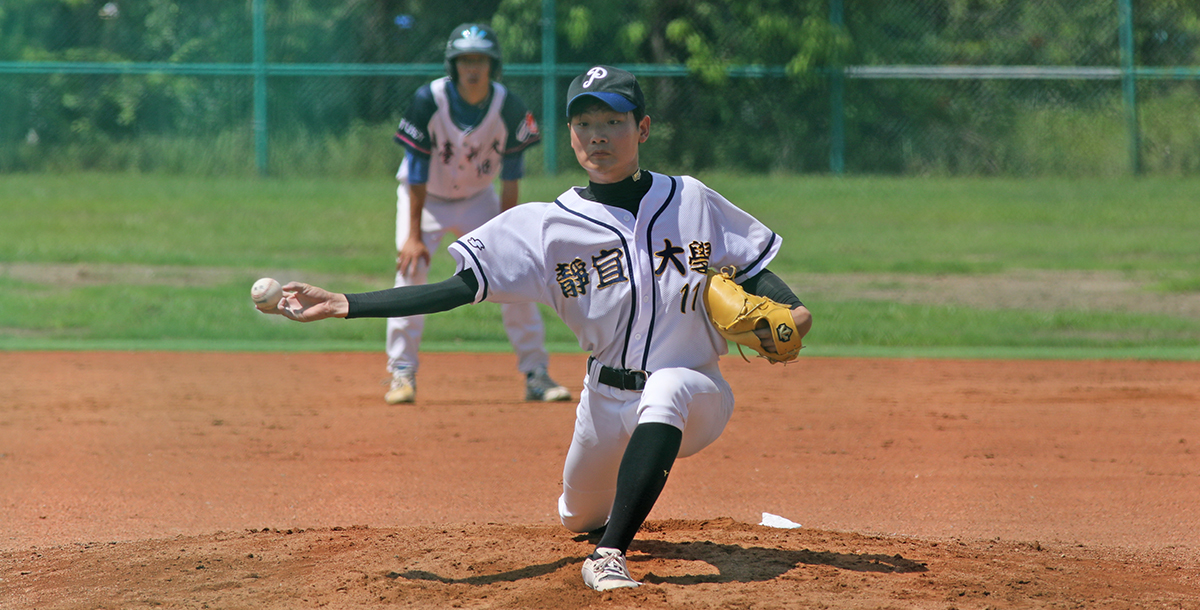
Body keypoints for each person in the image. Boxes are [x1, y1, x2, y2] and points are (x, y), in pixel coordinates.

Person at [267, 65, 812, 592]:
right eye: (584, 125)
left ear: (642, 129)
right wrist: (345, 302)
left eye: (614, 122)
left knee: (666, 388)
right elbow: (457, 289)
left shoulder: (692, 200)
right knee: (578, 515)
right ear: (571, 136)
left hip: (697, 393)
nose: (598, 136)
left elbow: (772, 286)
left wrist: (792, 322)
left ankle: (610, 556)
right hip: (604, 396)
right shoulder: (546, 227)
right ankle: (605, 524)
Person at [385, 22, 569, 404]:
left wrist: (509, 235)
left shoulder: (509, 106)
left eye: (480, 60)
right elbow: (416, 172)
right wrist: (414, 235)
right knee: (411, 272)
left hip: (478, 200)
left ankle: (536, 373)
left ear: (492, 65)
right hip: (426, 199)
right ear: (454, 65)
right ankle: (402, 373)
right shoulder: (428, 100)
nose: (473, 67)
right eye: (465, 59)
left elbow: (512, 177)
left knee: (516, 273)